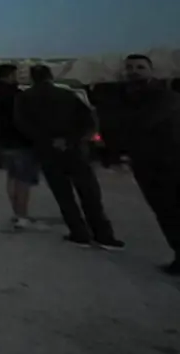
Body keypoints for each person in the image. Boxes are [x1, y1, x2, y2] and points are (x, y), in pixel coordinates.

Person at [16, 65, 124, 249]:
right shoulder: (67, 95)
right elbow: (88, 121)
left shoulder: (25, 98)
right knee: (89, 192)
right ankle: (103, 235)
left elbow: (22, 125)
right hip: (74, 149)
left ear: (33, 78)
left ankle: (79, 233)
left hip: (47, 151)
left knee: (63, 194)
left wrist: (47, 140)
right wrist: (69, 139)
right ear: (50, 76)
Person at [115, 54, 180, 275]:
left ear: (151, 70)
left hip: (170, 162)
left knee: (173, 210)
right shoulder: (126, 96)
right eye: (130, 67)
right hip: (145, 164)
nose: (134, 71)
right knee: (164, 212)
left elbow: (141, 123)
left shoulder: (164, 96)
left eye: (140, 67)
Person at [0, 63, 42, 230]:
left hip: (2, 140)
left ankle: (17, 214)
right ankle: (22, 215)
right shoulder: (17, 95)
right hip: (20, 140)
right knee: (23, 180)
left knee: (12, 177)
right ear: (11, 75)